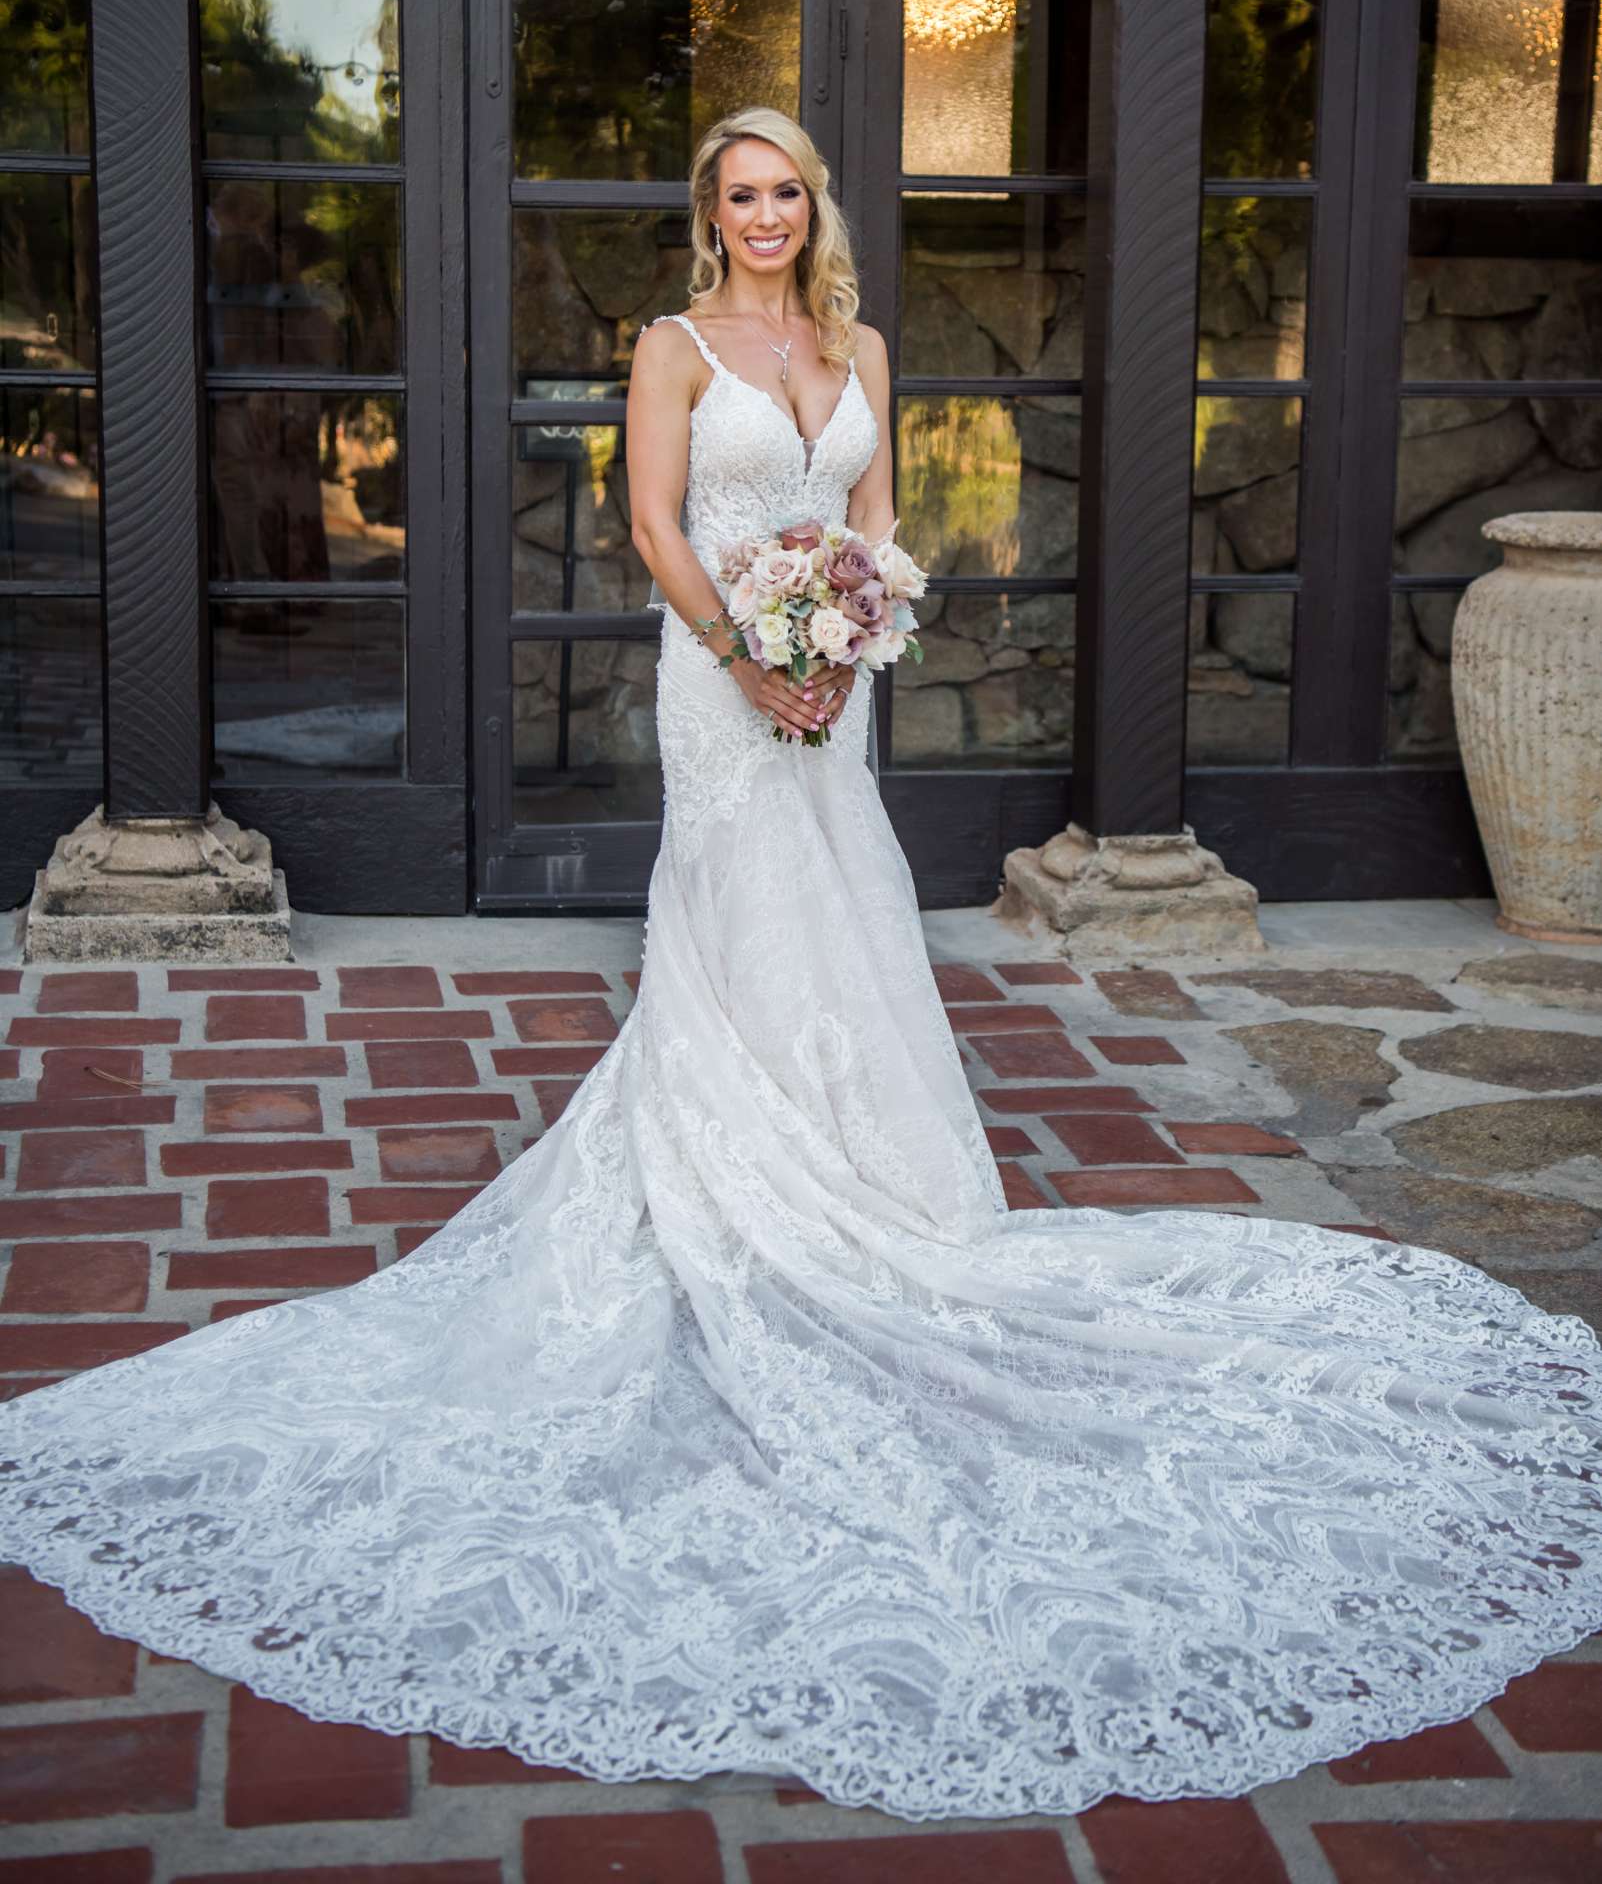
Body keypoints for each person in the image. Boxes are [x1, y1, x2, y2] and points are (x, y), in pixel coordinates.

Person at [1, 106, 1600, 1825]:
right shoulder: (674, 344)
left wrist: (849, 634)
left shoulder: (861, 343)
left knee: (846, 914)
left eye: (783, 194)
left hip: (832, 694)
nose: (762, 217)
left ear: (810, 209)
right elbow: (654, 522)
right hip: (724, 686)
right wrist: (746, 658)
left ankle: (872, 1183)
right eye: (738, 197)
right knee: (741, 913)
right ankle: (736, 1178)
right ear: (709, 217)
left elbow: (886, 523)